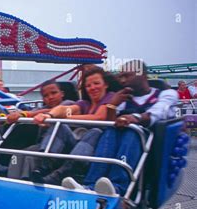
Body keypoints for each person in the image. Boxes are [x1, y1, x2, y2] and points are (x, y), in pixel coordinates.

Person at [63, 60, 178, 196]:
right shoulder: (125, 98)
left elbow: (157, 113)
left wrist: (135, 118)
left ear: (143, 75)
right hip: (124, 145)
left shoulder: (166, 94)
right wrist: (112, 105)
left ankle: (118, 186)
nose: (122, 81)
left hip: (151, 147)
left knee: (131, 130)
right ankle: (90, 184)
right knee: (110, 131)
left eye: (127, 76)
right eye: (121, 76)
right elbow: (111, 121)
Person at [7, 66, 122, 182]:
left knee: (94, 131)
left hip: (97, 151)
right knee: (59, 126)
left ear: (105, 85)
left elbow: (99, 118)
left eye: (96, 83)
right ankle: (42, 167)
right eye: (88, 85)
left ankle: (66, 172)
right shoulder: (83, 104)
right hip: (74, 148)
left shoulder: (111, 98)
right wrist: (51, 116)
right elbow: (64, 109)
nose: (92, 88)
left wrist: (64, 117)